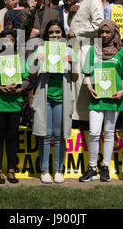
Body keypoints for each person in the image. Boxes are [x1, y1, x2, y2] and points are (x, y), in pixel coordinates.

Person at [79, 20, 123, 182]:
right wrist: (89, 87)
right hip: (97, 99)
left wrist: (122, 90)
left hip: (114, 100)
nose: (105, 35)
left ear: (114, 32)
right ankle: (92, 168)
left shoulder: (121, 52)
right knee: (93, 132)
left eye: (108, 32)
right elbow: (87, 72)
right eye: (102, 32)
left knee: (109, 133)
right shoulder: (93, 51)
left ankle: (105, 167)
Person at [30, 20, 78, 183]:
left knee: (59, 135)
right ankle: (44, 170)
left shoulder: (69, 50)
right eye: (51, 32)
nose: (55, 35)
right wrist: (36, 60)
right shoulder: (40, 49)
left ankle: (58, 170)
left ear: (62, 34)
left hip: (62, 100)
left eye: (58, 32)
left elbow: (74, 77)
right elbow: (32, 75)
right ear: (46, 35)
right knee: (45, 134)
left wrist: (72, 63)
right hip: (45, 98)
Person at [0, 29, 30, 184]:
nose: (7, 43)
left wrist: (19, 89)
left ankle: (11, 170)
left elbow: (26, 79)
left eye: (11, 40)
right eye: (4, 40)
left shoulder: (20, 60)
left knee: (12, 138)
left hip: (14, 104)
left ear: (15, 42)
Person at [69, 0, 104, 123]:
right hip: (76, 46)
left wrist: (78, 33)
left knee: (84, 83)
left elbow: (99, 24)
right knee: (75, 84)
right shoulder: (81, 1)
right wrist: (70, 13)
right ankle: (76, 119)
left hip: (88, 47)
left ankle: (85, 122)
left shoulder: (93, 0)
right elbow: (74, 24)